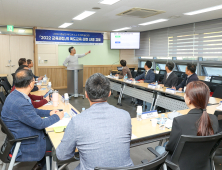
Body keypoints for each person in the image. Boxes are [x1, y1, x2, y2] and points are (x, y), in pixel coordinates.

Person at [56, 73, 133, 170]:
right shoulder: (125, 115)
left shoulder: (77, 121)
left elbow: (62, 155)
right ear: (109, 93)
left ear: (86, 94)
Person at [1, 69, 64, 170]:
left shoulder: (14, 95)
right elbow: (40, 123)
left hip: (17, 137)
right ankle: (44, 166)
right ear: (31, 84)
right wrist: (57, 117)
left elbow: (32, 111)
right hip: (26, 143)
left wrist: (49, 113)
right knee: (58, 142)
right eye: (33, 81)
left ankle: (40, 165)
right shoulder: (20, 103)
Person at [155, 81, 219, 170]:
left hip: (181, 165)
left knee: (159, 148)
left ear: (189, 99)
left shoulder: (179, 121)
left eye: (185, 94)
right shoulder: (214, 119)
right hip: (203, 163)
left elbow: (170, 149)